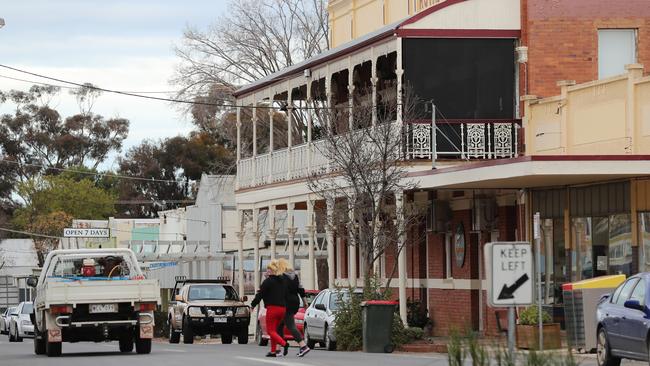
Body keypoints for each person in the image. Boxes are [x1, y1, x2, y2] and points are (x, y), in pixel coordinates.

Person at [250, 259, 288, 357]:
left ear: (272, 270)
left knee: (270, 331)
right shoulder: (283, 281)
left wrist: (252, 305)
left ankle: (284, 344)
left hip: (272, 309)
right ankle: (273, 351)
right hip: (283, 309)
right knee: (274, 331)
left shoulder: (267, 282)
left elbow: (259, 295)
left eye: (268, 269)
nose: (267, 271)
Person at [276, 258, 311, 357]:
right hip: (294, 302)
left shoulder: (281, 277)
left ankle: (303, 346)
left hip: (285, 303)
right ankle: (278, 350)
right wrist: (305, 301)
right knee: (280, 325)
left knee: (290, 325)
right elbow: (301, 288)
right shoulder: (295, 276)